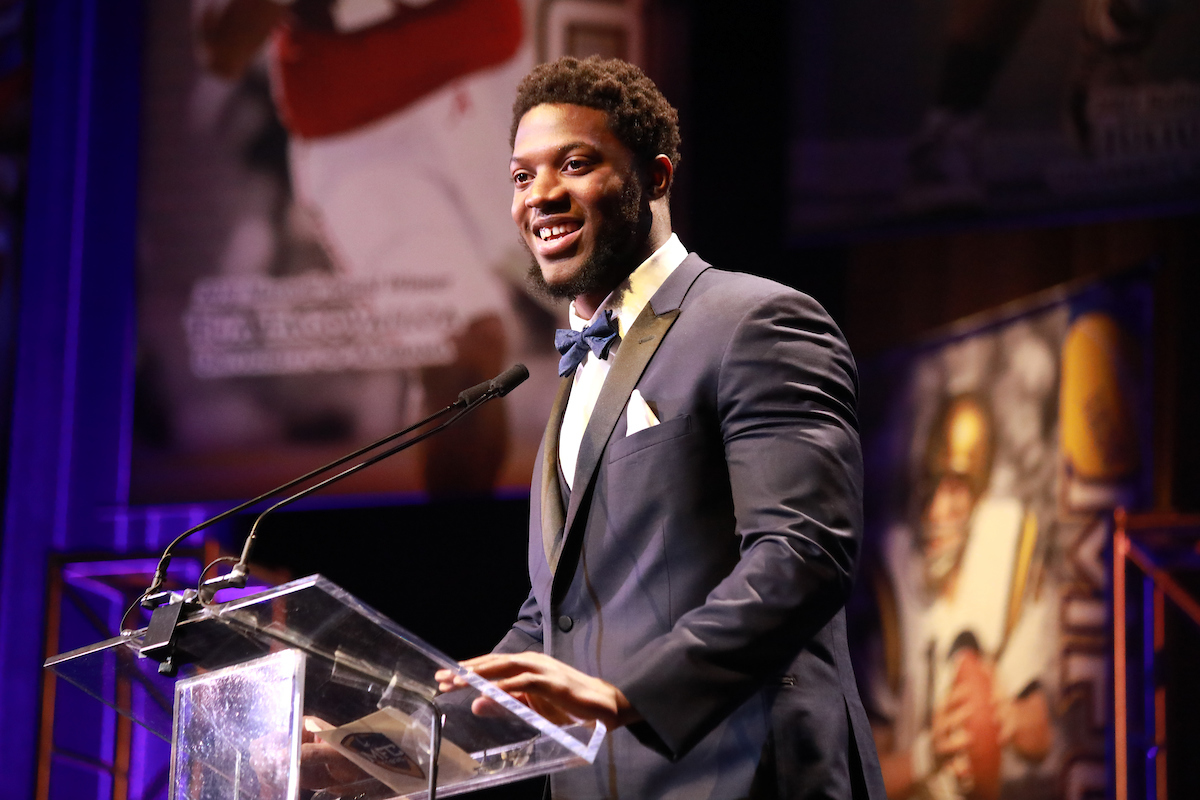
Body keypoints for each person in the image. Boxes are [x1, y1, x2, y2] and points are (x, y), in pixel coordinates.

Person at [436, 56, 886, 800]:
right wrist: (387, 742)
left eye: (574, 164)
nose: (540, 194)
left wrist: (625, 697)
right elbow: (553, 620)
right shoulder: (577, 375)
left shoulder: (757, 322)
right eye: (521, 176)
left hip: (750, 778)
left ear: (656, 177)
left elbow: (801, 557)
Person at [196, 0, 531, 494]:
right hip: (361, 122)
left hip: (487, 69)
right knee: (464, 345)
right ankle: (457, 549)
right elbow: (221, 49)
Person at [870, 395, 1054, 800]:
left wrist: (1005, 719)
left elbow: (1042, 735)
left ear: (980, 494)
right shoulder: (892, 579)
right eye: (930, 486)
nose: (938, 510)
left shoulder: (1004, 553)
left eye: (955, 489)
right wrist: (927, 754)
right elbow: (856, 781)